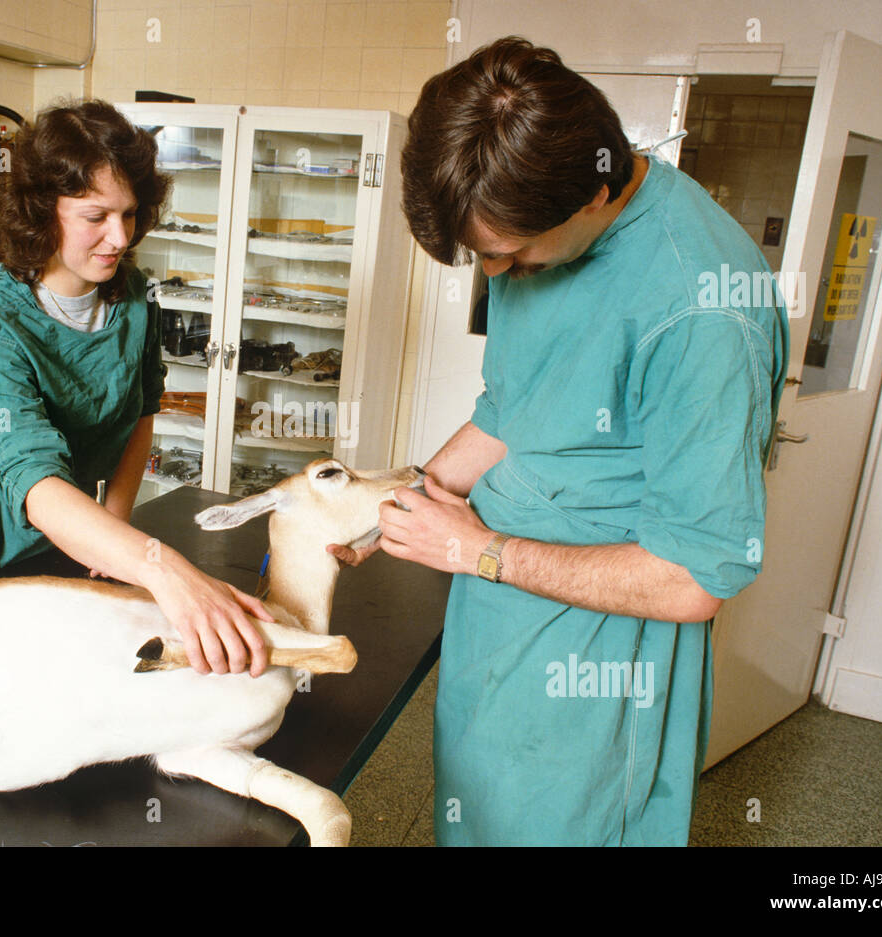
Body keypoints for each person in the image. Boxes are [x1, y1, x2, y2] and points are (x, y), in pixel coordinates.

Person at [329, 38, 789, 845]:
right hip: (497, 621)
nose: (498, 279)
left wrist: (479, 551)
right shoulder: (540, 230)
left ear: (591, 196)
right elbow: (516, 408)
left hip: (598, 664)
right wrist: (408, 495)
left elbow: (693, 577)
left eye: (508, 256)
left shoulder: (700, 310)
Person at [0, 99, 268, 677]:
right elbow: (35, 482)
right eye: (95, 216)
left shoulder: (133, 295)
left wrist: (115, 529)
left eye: (128, 214)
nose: (119, 237)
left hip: (77, 542)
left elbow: (142, 411)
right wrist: (161, 567)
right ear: (43, 211)